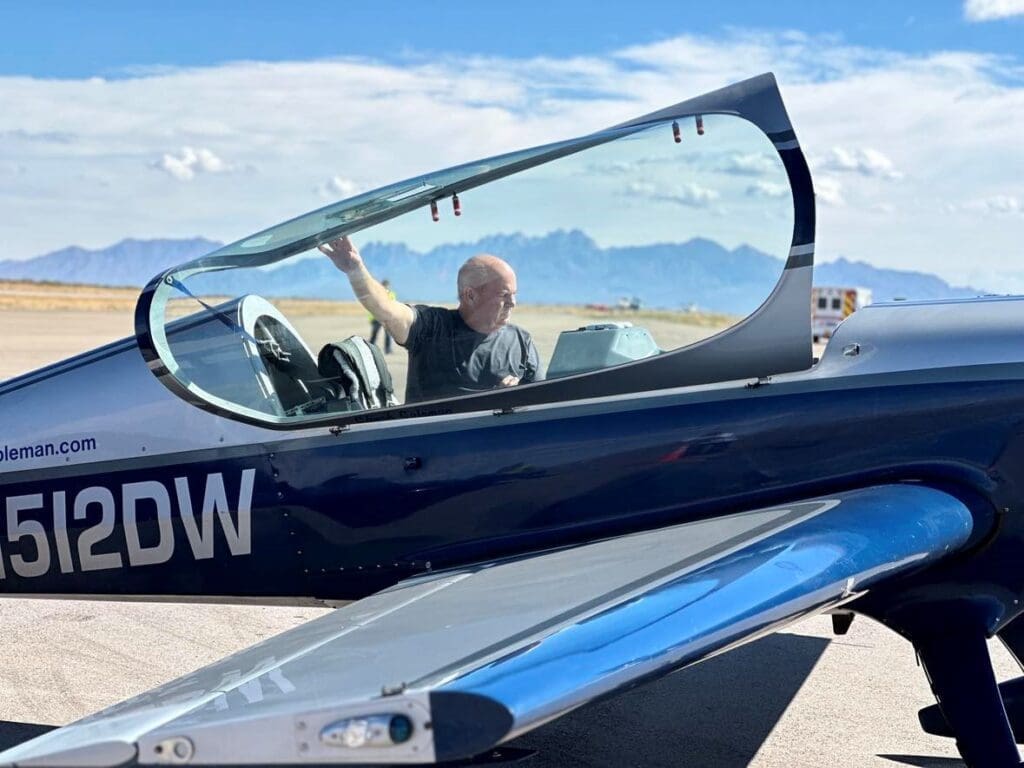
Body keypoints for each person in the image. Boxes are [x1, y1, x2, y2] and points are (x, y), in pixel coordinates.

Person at [319, 236, 541, 403]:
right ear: (471, 295)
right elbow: (386, 309)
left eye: (515, 294)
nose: (513, 303)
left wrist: (516, 399)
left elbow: (545, 402)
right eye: (504, 295)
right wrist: (355, 270)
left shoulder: (522, 342)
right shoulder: (432, 327)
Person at [368, 279, 395, 354]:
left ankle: (388, 349)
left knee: (388, 335)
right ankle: (370, 348)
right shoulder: (377, 294)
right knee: (374, 334)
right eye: (385, 286)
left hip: (387, 318)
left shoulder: (391, 294)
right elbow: (372, 306)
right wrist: (371, 318)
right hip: (377, 317)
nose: (386, 287)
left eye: (387, 286)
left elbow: (393, 306)